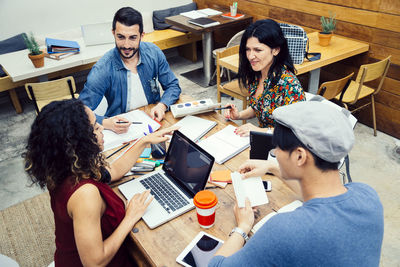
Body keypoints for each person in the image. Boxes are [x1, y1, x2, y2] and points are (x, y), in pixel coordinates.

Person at [210, 101, 384, 266]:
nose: (275, 154)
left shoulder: (285, 231)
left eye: (277, 148)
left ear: (299, 156)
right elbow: (321, 195)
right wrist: (273, 167)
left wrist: (243, 227)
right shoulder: (369, 196)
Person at [24, 99, 177, 266]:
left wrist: (143, 141)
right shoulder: (85, 194)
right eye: (96, 127)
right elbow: (94, 263)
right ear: (78, 142)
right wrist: (130, 217)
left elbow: (114, 171)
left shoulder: (65, 165)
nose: (102, 128)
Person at [79, 7, 181, 134]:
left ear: (142, 36)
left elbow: (173, 86)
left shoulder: (154, 52)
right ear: (113, 33)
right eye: (121, 37)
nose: (126, 45)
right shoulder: (102, 69)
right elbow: (79, 112)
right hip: (119, 129)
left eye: (132, 38)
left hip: (153, 121)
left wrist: (162, 105)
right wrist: (105, 123)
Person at [224, 19, 305, 136]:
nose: (251, 56)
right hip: (263, 140)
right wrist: (239, 115)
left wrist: (259, 131)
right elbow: (259, 108)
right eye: (248, 49)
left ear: (276, 50)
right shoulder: (257, 74)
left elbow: (296, 131)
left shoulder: (289, 85)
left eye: (258, 50)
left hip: (283, 148)